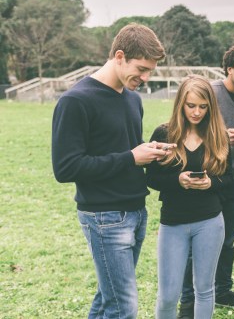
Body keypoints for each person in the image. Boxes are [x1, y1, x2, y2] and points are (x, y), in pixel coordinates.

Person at [51, 23, 168, 319]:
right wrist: (131, 157)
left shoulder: (133, 99)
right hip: (104, 217)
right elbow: (65, 168)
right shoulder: (75, 101)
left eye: (150, 71)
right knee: (123, 307)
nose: (145, 78)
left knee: (108, 298)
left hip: (136, 210)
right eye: (141, 69)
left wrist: (150, 152)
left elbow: (123, 148)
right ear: (119, 55)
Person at [177, 44, 234, 318]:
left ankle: (222, 289)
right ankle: (188, 301)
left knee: (228, 239)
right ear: (229, 68)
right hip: (209, 177)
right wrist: (221, 135)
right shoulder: (209, 92)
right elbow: (191, 124)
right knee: (199, 240)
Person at [146, 75, 230, 319]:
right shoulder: (165, 133)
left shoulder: (218, 135)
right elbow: (150, 178)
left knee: (204, 290)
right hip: (173, 222)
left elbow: (230, 178)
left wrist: (210, 182)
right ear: (180, 103)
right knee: (168, 295)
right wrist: (178, 181)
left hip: (209, 222)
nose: (196, 112)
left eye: (203, 107)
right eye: (191, 105)